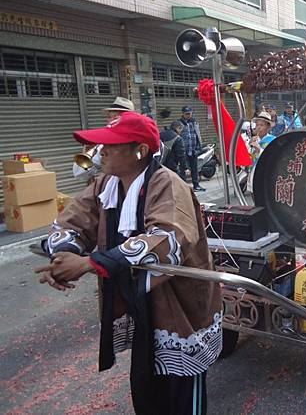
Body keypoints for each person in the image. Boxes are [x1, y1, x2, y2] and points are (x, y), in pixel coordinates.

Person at [35, 111, 223, 415]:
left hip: (177, 308)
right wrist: (63, 256)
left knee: (182, 395)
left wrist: (88, 263)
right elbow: (70, 222)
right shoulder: (105, 185)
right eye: (101, 145)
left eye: (111, 145)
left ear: (140, 150)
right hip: (141, 303)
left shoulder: (168, 184)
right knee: (146, 391)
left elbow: (167, 241)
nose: (101, 152)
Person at [73, 96, 135, 181]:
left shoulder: (138, 143)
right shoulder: (103, 146)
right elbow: (79, 175)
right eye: (109, 117)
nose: (111, 120)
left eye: (116, 117)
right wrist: (87, 153)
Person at [248, 111, 276, 193]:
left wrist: (259, 150)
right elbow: (249, 157)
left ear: (268, 127)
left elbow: (272, 158)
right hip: (253, 172)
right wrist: (250, 146)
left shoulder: (273, 140)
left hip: (265, 174)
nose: (258, 127)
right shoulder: (253, 140)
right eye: (257, 125)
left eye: (262, 125)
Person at [179, 106, 205, 192]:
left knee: (195, 168)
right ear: (182, 114)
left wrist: (199, 146)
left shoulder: (194, 122)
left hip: (193, 149)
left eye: (190, 113)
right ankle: (183, 187)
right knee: (183, 169)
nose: (188, 115)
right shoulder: (179, 123)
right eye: (186, 114)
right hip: (184, 150)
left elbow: (198, 134)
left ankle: (196, 185)